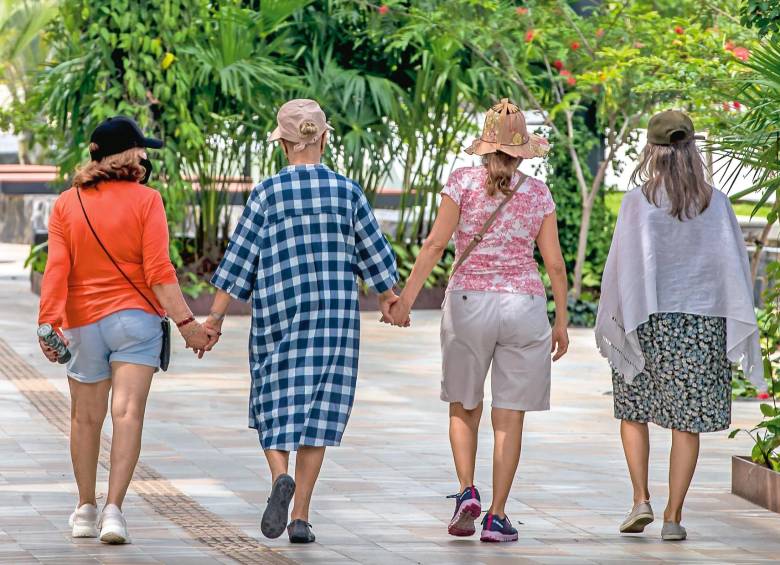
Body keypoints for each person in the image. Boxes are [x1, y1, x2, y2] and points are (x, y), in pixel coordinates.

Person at [203, 99, 399, 544]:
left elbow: (238, 260)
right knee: (319, 411)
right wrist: (390, 298)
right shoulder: (347, 192)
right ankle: (301, 518)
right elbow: (374, 253)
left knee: (274, 398)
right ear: (324, 139)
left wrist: (213, 320)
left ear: (284, 145)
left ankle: (278, 478)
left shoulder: (267, 194)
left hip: (278, 313)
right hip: (334, 318)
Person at [387, 99, 570, 542]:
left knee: (464, 404)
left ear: (485, 147)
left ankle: (467, 490)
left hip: (469, 301)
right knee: (509, 416)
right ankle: (497, 515)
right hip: (523, 305)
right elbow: (555, 264)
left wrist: (405, 301)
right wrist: (561, 320)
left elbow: (433, 245)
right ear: (522, 149)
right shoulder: (537, 193)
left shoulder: (462, 183)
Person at [37, 116, 216, 544]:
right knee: (127, 414)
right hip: (136, 322)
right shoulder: (147, 200)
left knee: (84, 418)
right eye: (141, 149)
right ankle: (114, 511)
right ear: (129, 154)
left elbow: (57, 268)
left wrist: (49, 322)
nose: (145, 156)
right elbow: (159, 271)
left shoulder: (67, 203)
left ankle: (84, 509)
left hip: (82, 323)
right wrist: (189, 325)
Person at [595, 110, 762, 541]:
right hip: (700, 324)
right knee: (684, 423)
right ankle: (672, 515)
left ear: (652, 150)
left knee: (634, 411)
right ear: (692, 148)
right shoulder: (716, 201)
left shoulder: (637, 202)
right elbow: (731, 269)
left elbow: (622, 269)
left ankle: (640, 499)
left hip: (646, 320)